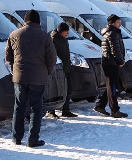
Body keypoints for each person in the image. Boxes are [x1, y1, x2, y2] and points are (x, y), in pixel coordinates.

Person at [5, 9, 57, 147]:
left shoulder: (14, 34)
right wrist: (46, 72)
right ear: (38, 21)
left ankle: (16, 138)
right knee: (36, 109)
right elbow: (52, 58)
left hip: (19, 77)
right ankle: (33, 139)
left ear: (25, 20)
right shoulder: (45, 36)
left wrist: (14, 68)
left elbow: (8, 57)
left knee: (19, 107)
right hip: (38, 78)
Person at [94, 14, 129, 118]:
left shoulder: (112, 33)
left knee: (112, 86)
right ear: (113, 23)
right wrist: (120, 61)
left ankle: (100, 105)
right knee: (113, 87)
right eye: (118, 22)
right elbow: (115, 50)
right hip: (111, 63)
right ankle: (114, 110)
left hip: (110, 62)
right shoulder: (112, 34)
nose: (120, 25)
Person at [47, 22, 78, 119]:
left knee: (69, 89)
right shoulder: (53, 40)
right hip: (57, 68)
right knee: (55, 89)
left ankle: (66, 109)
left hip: (66, 67)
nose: (68, 33)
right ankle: (51, 111)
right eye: (66, 31)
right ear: (61, 31)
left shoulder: (63, 39)